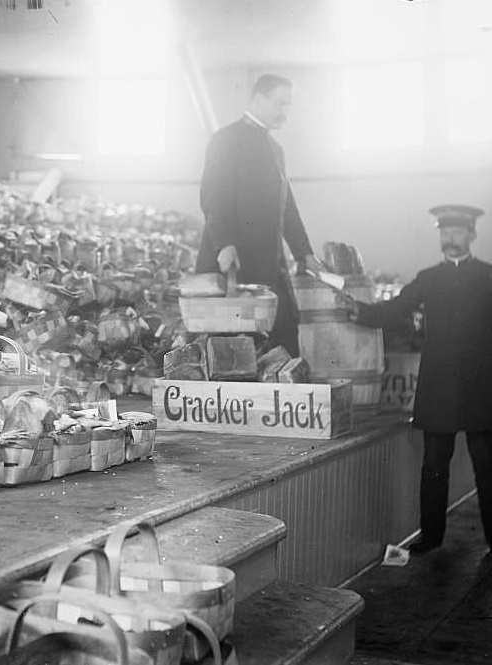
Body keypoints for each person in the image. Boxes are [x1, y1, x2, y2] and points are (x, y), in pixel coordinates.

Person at [342, 204, 492, 554]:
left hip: (481, 385)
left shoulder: (488, 277)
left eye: (456, 232)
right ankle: (432, 537)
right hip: (440, 386)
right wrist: (359, 311)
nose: (449, 238)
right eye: (444, 232)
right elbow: (394, 310)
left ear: (471, 234)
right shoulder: (428, 278)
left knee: (487, 467)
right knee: (434, 466)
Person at [196, 73, 324, 356]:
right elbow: (212, 195)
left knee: (284, 334)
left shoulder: (276, 149)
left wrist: (305, 253)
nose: (285, 113)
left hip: (269, 263)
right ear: (257, 99)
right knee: (233, 344)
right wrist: (224, 243)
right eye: (280, 104)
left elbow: (287, 206)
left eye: (288, 106)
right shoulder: (226, 139)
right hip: (234, 262)